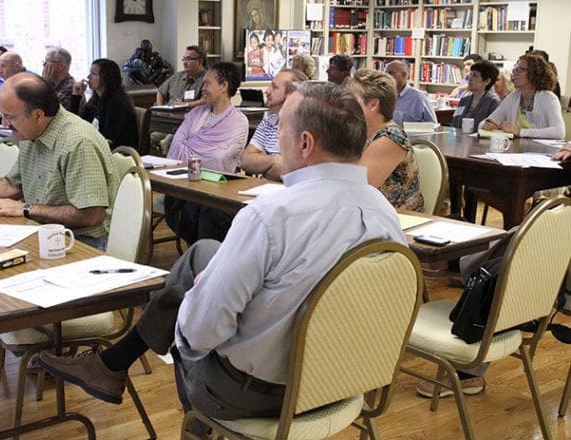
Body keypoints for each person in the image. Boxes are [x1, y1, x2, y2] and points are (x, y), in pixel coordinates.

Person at [36, 82, 406, 421]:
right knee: (206, 253)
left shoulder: (269, 217)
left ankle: (128, 375)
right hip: (342, 384)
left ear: (305, 143)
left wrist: (201, 294)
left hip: (260, 395)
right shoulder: (386, 216)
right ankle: (111, 365)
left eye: (281, 129)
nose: (276, 136)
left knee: (188, 313)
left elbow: (197, 335)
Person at [0, 73, 120, 251]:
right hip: (42, 230)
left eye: (10, 117)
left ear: (38, 115)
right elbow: (12, 185)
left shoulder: (78, 142)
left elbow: (91, 215)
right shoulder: (32, 132)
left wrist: (26, 209)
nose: (5, 124)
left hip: (81, 242)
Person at [165, 62, 249, 245]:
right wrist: (196, 151)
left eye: (207, 83)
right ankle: (198, 253)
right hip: (184, 181)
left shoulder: (238, 121)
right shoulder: (197, 112)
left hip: (218, 186)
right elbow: (177, 142)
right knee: (171, 206)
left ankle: (205, 258)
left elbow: (220, 157)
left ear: (224, 86)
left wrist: (191, 148)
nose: (202, 88)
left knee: (207, 217)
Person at [348, 68, 424, 211]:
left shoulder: (392, 138)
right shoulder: (363, 133)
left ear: (373, 105)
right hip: (369, 216)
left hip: (395, 221)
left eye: (352, 100)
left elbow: (357, 188)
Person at [240, 69, 308, 181]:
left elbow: (295, 174)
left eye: (274, 87)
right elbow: (246, 161)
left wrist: (262, 162)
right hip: (263, 192)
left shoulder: (307, 126)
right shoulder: (268, 122)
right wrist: (274, 160)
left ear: (292, 94)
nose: (267, 91)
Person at [479, 53, 564, 139]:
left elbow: (559, 132)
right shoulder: (514, 96)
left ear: (535, 74)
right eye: (515, 69)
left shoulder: (548, 98)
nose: (515, 73)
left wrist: (520, 131)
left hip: (541, 150)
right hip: (516, 149)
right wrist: (488, 125)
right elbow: (485, 123)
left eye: (521, 69)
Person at [71, 59, 138, 149]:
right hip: (99, 147)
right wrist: (76, 96)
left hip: (118, 153)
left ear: (107, 78)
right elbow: (77, 125)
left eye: (94, 74)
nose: (88, 77)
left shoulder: (117, 102)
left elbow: (109, 138)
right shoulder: (96, 100)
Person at [451, 60, 501, 133]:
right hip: (459, 140)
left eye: (474, 75)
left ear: (487, 81)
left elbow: (492, 130)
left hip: (479, 143)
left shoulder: (493, 102)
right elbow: (454, 123)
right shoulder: (464, 100)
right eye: (470, 74)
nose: (469, 78)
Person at [386, 61, 438, 127]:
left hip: (410, 136)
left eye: (391, 73)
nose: (386, 76)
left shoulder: (418, 97)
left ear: (404, 75)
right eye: (386, 73)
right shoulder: (384, 95)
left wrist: (409, 128)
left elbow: (433, 125)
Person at [42, 47, 76, 112]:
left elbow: (49, 110)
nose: (44, 64)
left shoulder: (70, 87)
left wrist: (45, 85)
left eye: (47, 61)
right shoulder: (53, 83)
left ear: (61, 66)